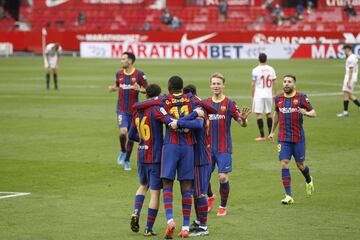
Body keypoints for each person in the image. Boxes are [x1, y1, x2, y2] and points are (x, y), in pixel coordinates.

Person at [206, 72, 250, 216]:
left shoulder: (230, 104)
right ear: (210, 85)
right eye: (214, 83)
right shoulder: (205, 103)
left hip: (224, 147)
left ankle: (223, 206)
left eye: (218, 83)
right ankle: (211, 197)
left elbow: (243, 124)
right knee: (203, 177)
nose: (216, 86)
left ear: (223, 85)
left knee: (223, 177)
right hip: (207, 147)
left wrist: (243, 120)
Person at [268, 75, 316, 204]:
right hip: (283, 138)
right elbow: (276, 114)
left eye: (289, 82)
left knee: (300, 165)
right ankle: (288, 196)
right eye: (284, 82)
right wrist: (272, 131)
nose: (286, 84)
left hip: (298, 138)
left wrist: (305, 112)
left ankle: (308, 179)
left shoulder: (301, 97)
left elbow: (314, 113)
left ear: (294, 84)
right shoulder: (278, 98)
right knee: (284, 163)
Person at [128, 84, 165, 236]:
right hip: (154, 157)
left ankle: (136, 212)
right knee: (155, 194)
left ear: (146, 96)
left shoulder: (137, 112)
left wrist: (143, 140)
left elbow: (131, 135)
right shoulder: (156, 110)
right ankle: (148, 229)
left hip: (141, 155)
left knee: (143, 185)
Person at [108, 52, 148, 171]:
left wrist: (139, 89)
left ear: (130, 61)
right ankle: (123, 150)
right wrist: (113, 88)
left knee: (131, 137)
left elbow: (147, 90)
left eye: (124, 59)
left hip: (134, 111)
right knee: (123, 131)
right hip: (121, 109)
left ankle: (127, 160)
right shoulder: (118, 73)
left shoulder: (139, 74)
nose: (121, 61)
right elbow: (117, 85)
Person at [251, 53, 277, 141]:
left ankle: (262, 136)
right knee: (269, 113)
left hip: (258, 95)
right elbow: (275, 82)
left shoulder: (255, 70)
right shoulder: (271, 69)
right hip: (269, 94)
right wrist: (274, 94)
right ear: (266, 60)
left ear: (258, 59)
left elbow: (253, 84)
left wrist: (252, 95)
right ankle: (270, 135)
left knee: (258, 114)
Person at [337, 45, 360, 117]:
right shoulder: (354, 57)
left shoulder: (350, 58)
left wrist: (349, 81)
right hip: (353, 77)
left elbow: (351, 70)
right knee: (349, 95)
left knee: (346, 94)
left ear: (347, 49)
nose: (343, 51)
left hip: (350, 78)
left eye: (344, 50)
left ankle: (345, 112)